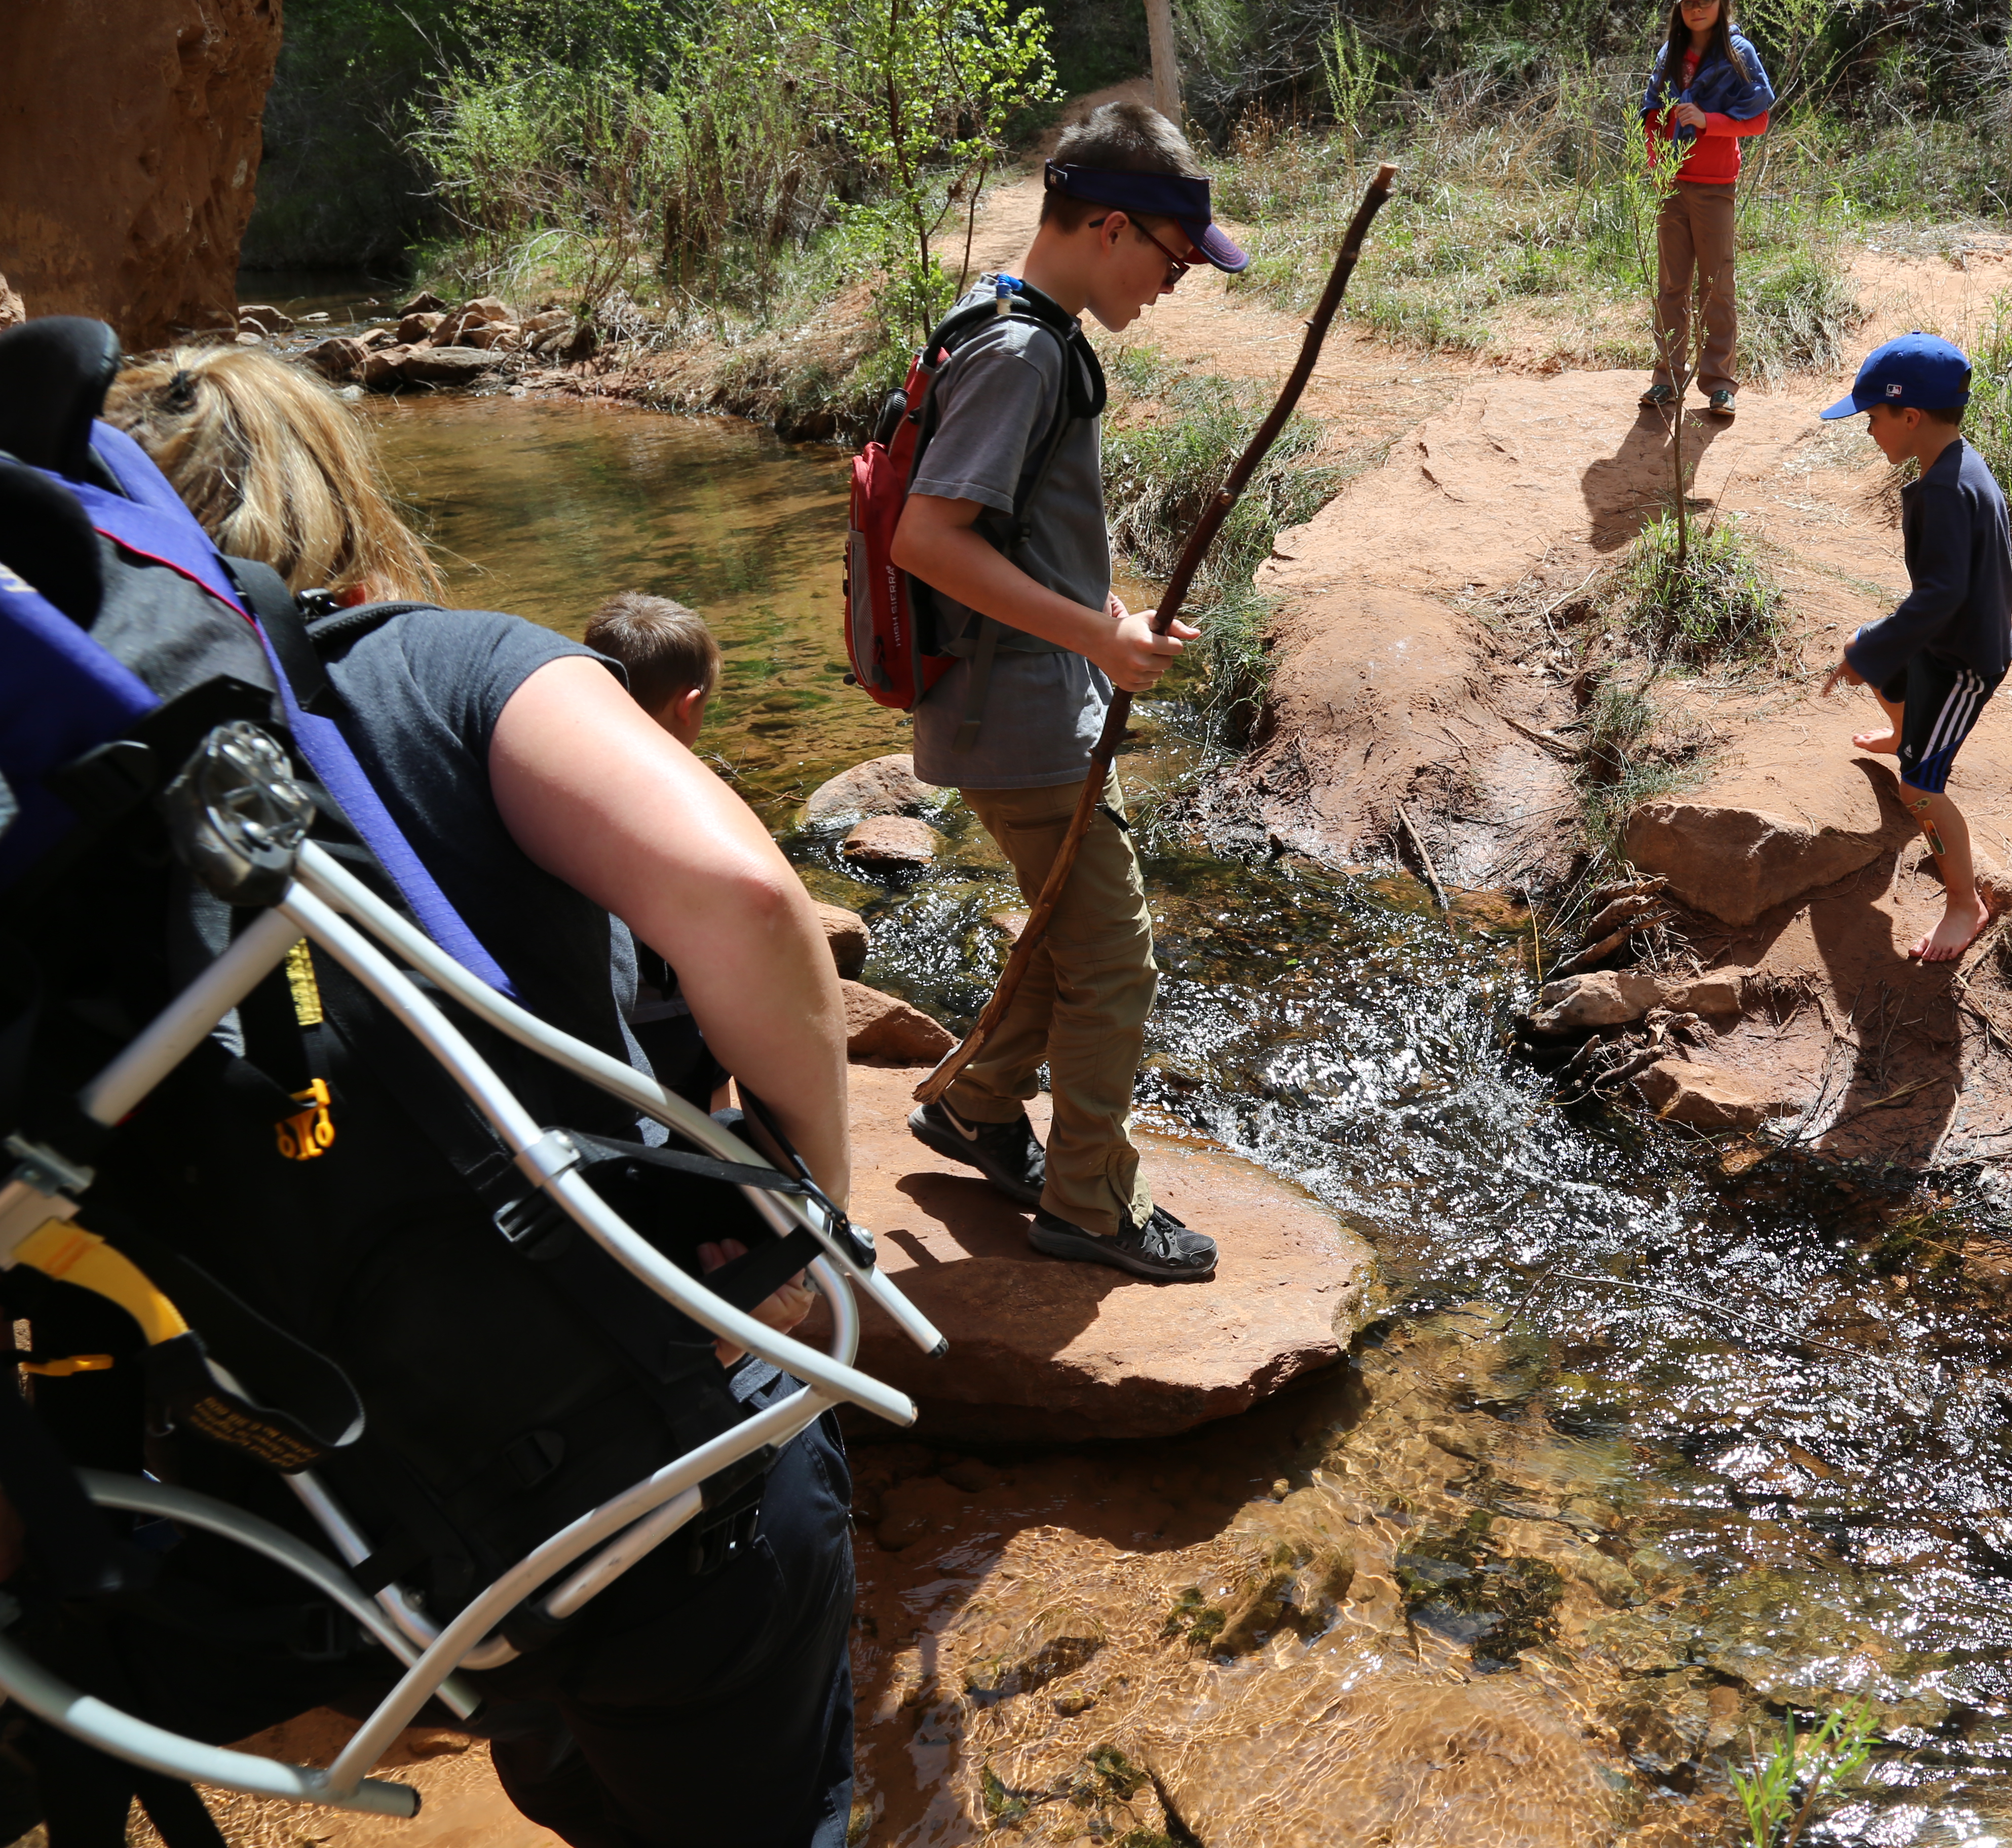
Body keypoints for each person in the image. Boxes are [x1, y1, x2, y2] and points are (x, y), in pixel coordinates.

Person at [84, 342, 857, 1847]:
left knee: (560, 1730)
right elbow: (746, 899)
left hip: (370, 1525)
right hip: (663, 1463)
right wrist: (815, 1226)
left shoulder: (88, 811)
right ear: (342, 492)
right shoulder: (446, 666)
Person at [887, 99, 1240, 1284]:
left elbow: (1008, 546)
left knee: (1064, 926)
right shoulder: (1022, 348)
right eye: (1174, 257)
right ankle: (1089, 1204)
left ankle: (979, 1107)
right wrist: (1098, 638)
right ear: (1106, 227)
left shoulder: (1014, 318)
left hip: (1026, 703)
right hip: (1016, 716)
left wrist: (1104, 630)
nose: (1177, 280)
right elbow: (929, 542)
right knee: (1113, 956)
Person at [1816, 332, 2012, 962]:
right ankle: (1906, 732)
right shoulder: (1957, 464)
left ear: (1909, 416)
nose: (1869, 431)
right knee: (1869, 647)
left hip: (1965, 661)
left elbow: (1940, 598)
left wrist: (1867, 654)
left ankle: (1965, 902)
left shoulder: (1944, 491)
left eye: (1872, 418)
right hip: (1943, 637)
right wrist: (1872, 649)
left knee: (1919, 792)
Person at [582, 590, 734, 1106]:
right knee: (714, 1131)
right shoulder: (688, 801)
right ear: (688, 706)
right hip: (672, 1020)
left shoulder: (553, 781)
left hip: (589, 1019)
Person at [1639, 0, 1775, 418]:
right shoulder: (1669, 56)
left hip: (1715, 186)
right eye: (1688, 0)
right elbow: (1651, 116)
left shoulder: (1739, 53)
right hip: (1672, 183)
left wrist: (1706, 120)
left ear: (1723, 4)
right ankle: (1667, 379)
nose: (1697, 7)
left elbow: (1758, 120)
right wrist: (1657, 165)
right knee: (1671, 286)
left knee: (1717, 286)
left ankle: (1719, 384)